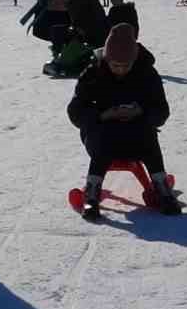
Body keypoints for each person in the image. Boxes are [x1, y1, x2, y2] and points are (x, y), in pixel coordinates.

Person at [67, 23, 180, 219]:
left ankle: (161, 187)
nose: (120, 70)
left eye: (125, 65)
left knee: (148, 133)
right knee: (104, 136)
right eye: (115, 65)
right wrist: (102, 115)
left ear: (134, 59)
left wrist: (141, 112)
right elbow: (75, 110)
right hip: (100, 136)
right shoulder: (93, 71)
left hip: (136, 135)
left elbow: (161, 110)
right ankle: (92, 193)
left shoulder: (147, 72)